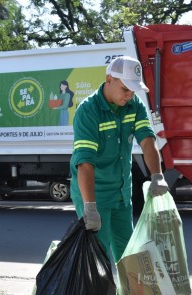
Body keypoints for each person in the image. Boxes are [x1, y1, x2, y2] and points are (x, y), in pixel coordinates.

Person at [70, 56, 169, 263]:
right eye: (125, 89)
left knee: (129, 255)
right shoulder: (88, 111)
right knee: (99, 257)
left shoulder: (134, 106)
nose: (129, 95)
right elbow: (85, 163)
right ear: (109, 80)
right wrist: (90, 206)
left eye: (133, 90)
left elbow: (147, 141)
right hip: (95, 194)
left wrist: (157, 175)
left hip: (122, 193)